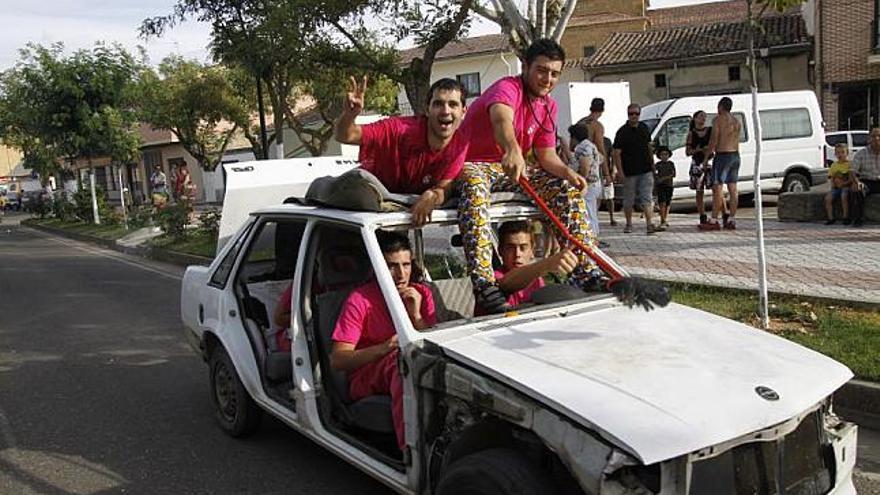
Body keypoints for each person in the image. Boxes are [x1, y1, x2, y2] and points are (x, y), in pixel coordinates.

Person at [455, 39, 599, 314]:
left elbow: (546, 155)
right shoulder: (506, 88)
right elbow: (501, 120)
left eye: (554, 73)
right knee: (474, 185)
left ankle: (586, 271)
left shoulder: (548, 106)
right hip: (475, 165)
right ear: (525, 67)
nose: (548, 79)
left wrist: (568, 173)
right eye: (541, 70)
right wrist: (512, 149)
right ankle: (485, 284)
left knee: (565, 190)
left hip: (514, 170)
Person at [330, 231, 436, 451]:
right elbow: (338, 360)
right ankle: (410, 452)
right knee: (401, 362)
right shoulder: (359, 300)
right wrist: (385, 348)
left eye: (406, 265)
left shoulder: (421, 294)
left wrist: (416, 316)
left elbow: (434, 344)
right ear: (377, 266)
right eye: (392, 266)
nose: (401, 274)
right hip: (365, 375)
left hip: (411, 365)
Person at [335, 77, 468, 226]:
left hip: (397, 217)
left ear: (463, 112)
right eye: (438, 104)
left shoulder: (461, 144)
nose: (445, 111)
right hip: (362, 209)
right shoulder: (397, 129)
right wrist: (349, 115)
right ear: (427, 109)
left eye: (453, 104)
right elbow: (346, 136)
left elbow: (445, 187)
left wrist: (432, 196)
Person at [474, 221, 577, 314]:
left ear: (532, 251)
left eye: (523, 248)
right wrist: (547, 264)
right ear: (500, 250)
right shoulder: (490, 277)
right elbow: (506, 283)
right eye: (510, 248)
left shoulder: (538, 279)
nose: (517, 254)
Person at [613, 103, 656, 235]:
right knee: (629, 199)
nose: (633, 116)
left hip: (645, 169)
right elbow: (616, 153)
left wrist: (652, 163)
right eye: (631, 114)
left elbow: (649, 147)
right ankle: (629, 223)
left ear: (639, 114)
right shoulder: (622, 132)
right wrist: (619, 171)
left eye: (636, 114)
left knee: (647, 198)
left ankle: (649, 224)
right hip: (629, 171)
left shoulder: (644, 128)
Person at [701, 97, 741, 230]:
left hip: (723, 155)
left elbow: (714, 140)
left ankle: (713, 220)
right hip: (735, 155)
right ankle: (732, 219)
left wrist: (707, 157)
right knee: (733, 188)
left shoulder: (718, 120)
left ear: (721, 106)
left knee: (717, 188)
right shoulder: (736, 121)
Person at [578, 98, 616, 231]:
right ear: (602, 110)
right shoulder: (597, 125)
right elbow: (600, 147)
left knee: (584, 204)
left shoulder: (580, 123)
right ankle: (593, 235)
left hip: (579, 166)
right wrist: (607, 173)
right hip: (593, 168)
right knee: (593, 204)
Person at [568, 123, 603, 238]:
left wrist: (580, 181)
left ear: (574, 137)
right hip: (595, 184)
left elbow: (585, 167)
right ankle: (595, 235)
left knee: (587, 212)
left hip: (588, 185)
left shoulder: (582, 147)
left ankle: (591, 237)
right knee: (592, 211)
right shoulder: (591, 145)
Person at [686, 110, 713, 225]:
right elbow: (688, 151)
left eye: (704, 117)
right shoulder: (691, 134)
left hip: (710, 162)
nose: (703, 119)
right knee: (699, 190)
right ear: (695, 119)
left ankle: (723, 212)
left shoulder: (710, 131)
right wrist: (698, 149)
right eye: (701, 116)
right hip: (698, 163)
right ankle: (702, 214)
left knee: (716, 188)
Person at [850, 126, 880, 227]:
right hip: (866, 181)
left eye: (879, 136)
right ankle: (858, 218)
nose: (876, 139)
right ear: (869, 138)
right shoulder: (861, 153)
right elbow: (853, 171)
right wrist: (856, 182)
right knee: (857, 190)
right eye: (874, 136)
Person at [825, 143, 853, 225]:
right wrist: (833, 185)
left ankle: (846, 217)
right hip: (836, 187)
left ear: (847, 153)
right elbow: (831, 177)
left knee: (844, 196)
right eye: (837, 153)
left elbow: (851, 178)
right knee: (828, 199)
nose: (840, 155)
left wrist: (844, 183)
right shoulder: (834, 165)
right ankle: (831, 218)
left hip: (846, 186)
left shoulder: (849, 164)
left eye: (842, 152)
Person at [654, 146, 675, 231]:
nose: (664, 156)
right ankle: (662, 219)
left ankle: (665, 218)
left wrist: (664, 178)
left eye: (666, 154)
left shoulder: (671, 164)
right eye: (662, 154)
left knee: (668, 202)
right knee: (662, 202)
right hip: (660, 186)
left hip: (669, 185)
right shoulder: (658, 165)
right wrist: (657, 179)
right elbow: (655, 173)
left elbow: (673, 174)